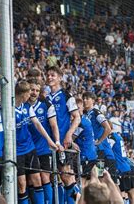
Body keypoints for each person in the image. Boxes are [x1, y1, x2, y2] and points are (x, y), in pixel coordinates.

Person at [14, 80, 57, 204]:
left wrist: (49, 141)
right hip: (17, 151)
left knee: (37, 179)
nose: (31, 95)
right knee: (22, 184)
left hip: (29, 148)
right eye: (29, 92)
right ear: (23, 94)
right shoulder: (9, 109)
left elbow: (37, 124)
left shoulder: (27, 107)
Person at [45, 66, 80, 204]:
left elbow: (77, 117)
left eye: (53, 75)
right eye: (48, 75)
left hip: (62, 143)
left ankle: (77, 200)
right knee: (52, 177)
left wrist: (69, 135)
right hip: (48, 142)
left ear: (60, 77)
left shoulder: (66, 95)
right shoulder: (46, 98)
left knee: (66, 176)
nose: (49, 77)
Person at [26, 78, 61, 204]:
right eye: (32, 90)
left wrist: (57, 141)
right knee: (31, 180)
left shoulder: (46, 105)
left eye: (37, 90)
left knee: (45, 177)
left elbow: (54, 125)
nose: (34, 93)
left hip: (43, 148)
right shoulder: (22, 105)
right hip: (28, 149)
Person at [82, 92, 117, 180]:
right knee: (96, 178)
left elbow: (108, 128)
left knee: (102, 179)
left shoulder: (96, 113)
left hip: (103, 152)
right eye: (84, 98)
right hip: (95, 152)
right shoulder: (85, 115)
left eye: (87, 98)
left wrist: (99, 141)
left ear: (93, 100)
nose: (84, 100)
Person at [72, 98, 97, 187]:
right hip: (93, 154)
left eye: (79, 108)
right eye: (75, 108)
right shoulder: (86, 119)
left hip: (86, 156)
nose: (77, 110)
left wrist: (71, 142)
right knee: (91, 181)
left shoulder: (81, 122)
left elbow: (71, 138)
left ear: (82, 108)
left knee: (81, 181)